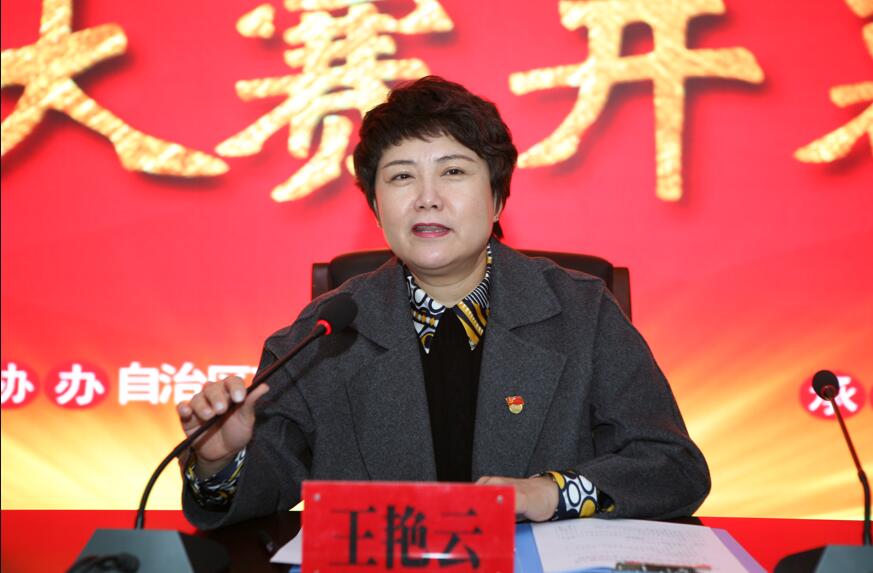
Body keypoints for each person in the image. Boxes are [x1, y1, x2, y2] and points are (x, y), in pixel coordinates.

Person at [178, 76, 710, 529]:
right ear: (376, 207)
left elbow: (672, 467)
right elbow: (261, 489)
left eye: (453, 171)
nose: (427, 198)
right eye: (401, 176)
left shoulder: (581, 311)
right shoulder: (328, 330)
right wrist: (220, 462)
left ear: (497, 197)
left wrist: (550, 493)